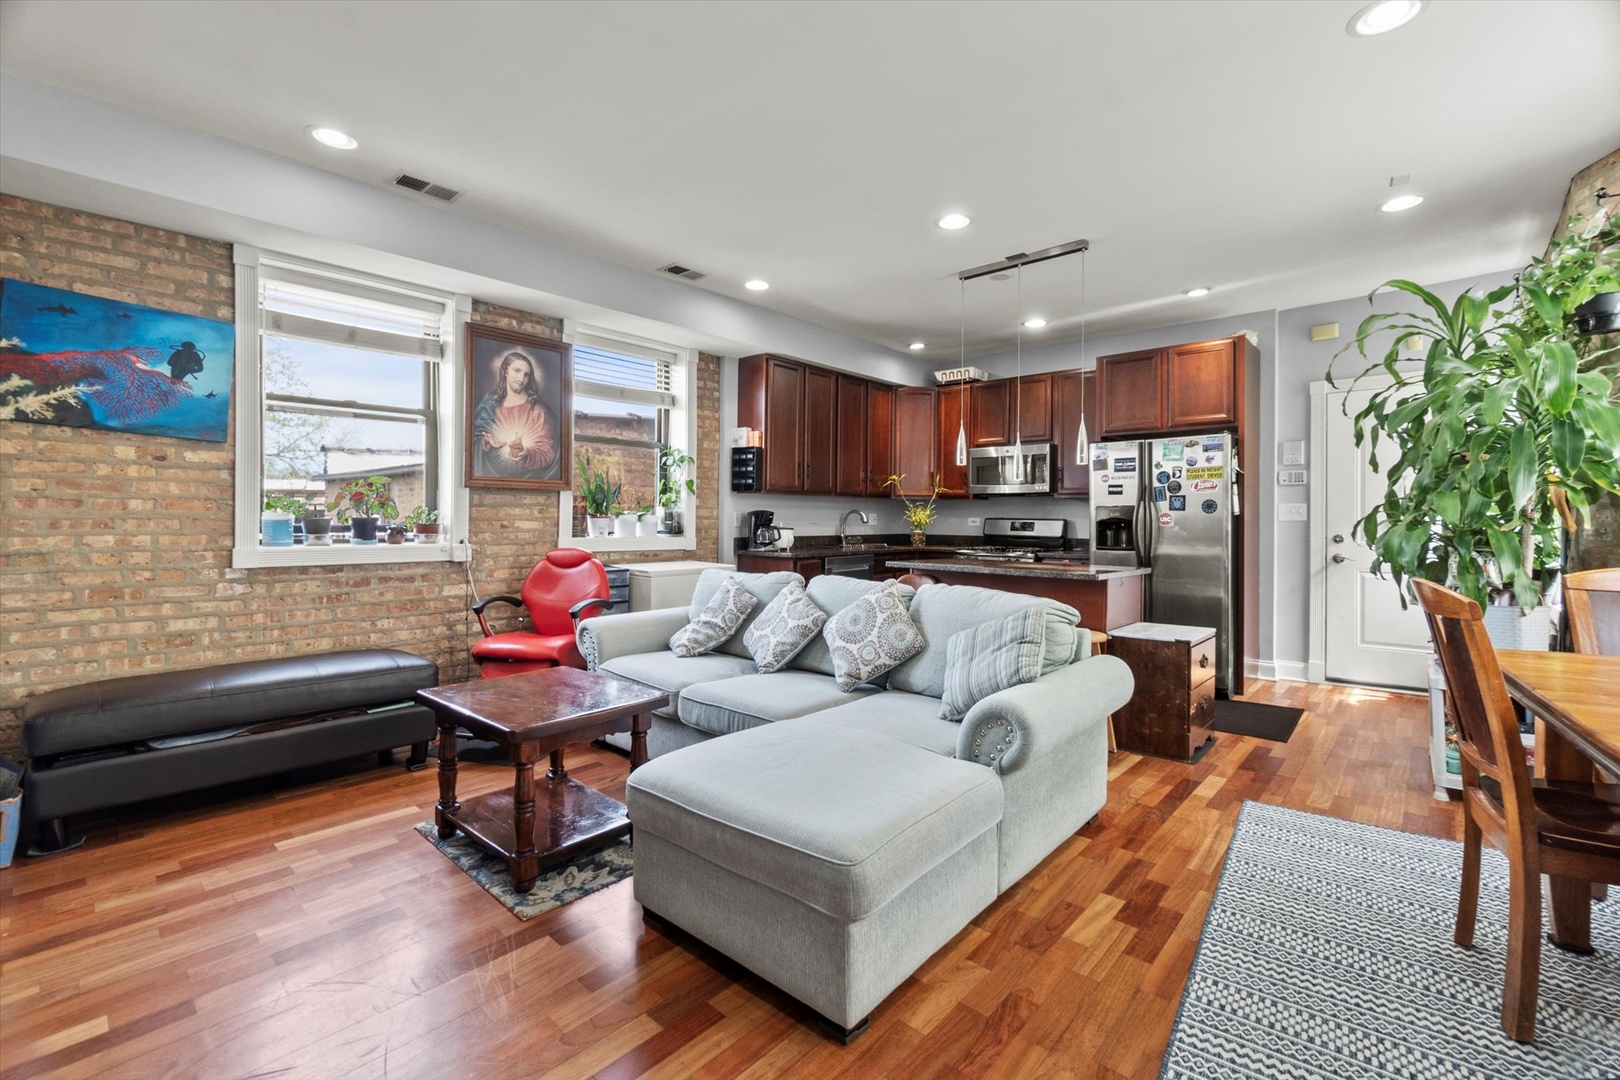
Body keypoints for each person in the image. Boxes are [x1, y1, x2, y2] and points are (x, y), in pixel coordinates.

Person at [473, 350, 559, 479]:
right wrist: (486, 440)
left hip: (528, 479)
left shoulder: (537, 410)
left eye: (526, 375)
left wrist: (527, 453)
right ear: (505, 371)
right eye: (517, 371)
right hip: (491, 478)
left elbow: (547, 451)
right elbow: (472, 437)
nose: (521, 379)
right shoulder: (490, 404)